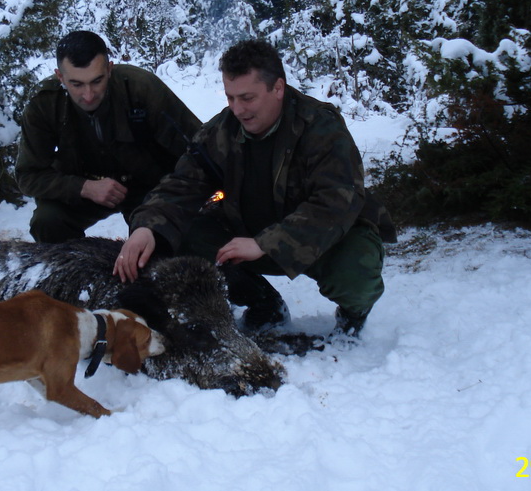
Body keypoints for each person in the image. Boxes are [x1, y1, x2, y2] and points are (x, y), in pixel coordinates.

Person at [113, 38, 396, 338]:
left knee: (356, 269)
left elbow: (335, 204)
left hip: (320, 237)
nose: (237, 109)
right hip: (248, 232)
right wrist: (147, 227)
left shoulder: (320, 129)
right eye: (230, 97)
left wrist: (265, 243)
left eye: (247, 98)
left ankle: (354, 312)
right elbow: (182, 183)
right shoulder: (222, 130)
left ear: (278, 88)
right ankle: (264, 303)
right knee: (176, 238)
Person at [16, 30, 201, 243]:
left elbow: (196, 147)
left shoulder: (140, 87)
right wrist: (83, 187)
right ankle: (73, 272)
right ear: (61, 77)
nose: (88, 95)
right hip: (83, 187)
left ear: (109, 69)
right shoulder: (44, 105)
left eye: (97, 81)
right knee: (47, 222)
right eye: (76, 84)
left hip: (148, 187)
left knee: (161, 242)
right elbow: (28, 176)